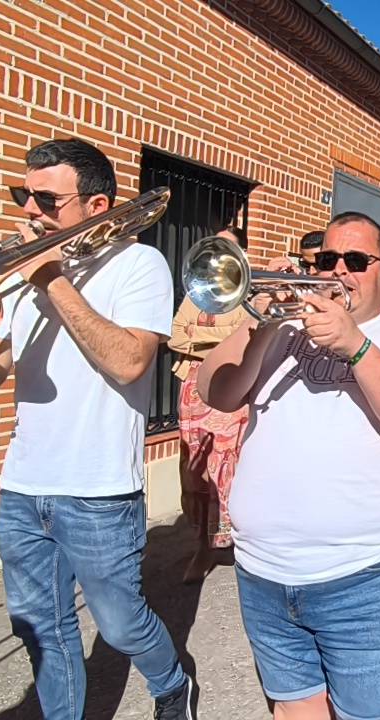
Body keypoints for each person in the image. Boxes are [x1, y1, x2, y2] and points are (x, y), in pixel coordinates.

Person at [0, 138, 195, 718]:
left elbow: (129, 361)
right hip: (24, 487)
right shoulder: (25, 278)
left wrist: (51, 279)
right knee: (42, 630)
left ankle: (172, 681)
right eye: (24, 195)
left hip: (98, 492)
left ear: (96, 208)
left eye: (46, 199)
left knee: (121, 626)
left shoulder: (138, 264)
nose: (29, 210)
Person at [197, 211, 380, 719]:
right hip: (265, 573)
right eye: (326, 259)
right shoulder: (278, 330)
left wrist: (354, 344)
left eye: (356, 260)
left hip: (367, 576)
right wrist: (260, 318)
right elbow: (217, 391)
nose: (338, 270)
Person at [169, 225, 253, 584]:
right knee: (195, 470)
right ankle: (202, 545)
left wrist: (200, 339)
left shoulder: (247, 293)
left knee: (226, 468)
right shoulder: (196, 293)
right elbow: (174, 336)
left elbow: (245, 339)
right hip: (191, 389)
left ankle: (232, 543)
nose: (219, 254)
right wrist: (222, 338)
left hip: (228, 390)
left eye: (228, 248)